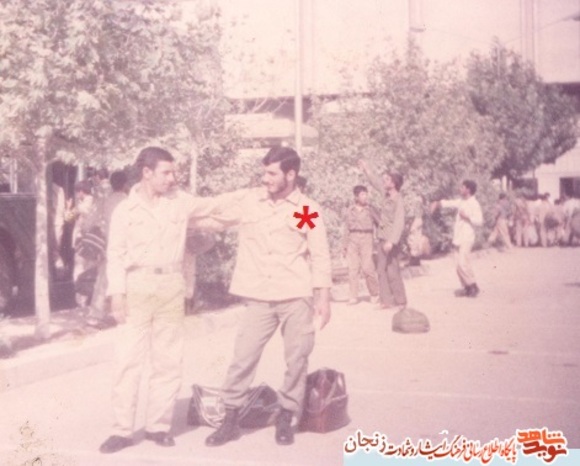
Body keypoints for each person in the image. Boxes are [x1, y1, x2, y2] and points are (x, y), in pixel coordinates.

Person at [99, 147, 231, 454]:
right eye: (166, 173)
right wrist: (116, 294)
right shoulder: (125, 210)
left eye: (174, 172)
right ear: (147, 173)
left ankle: (158, 427)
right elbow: (115, 255)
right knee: (127, 361)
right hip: (137, 285)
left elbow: (214, 206)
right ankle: (121, 430)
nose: (172, 178)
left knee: (168, 361)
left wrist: (256, 198)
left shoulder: (180, 202)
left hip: (171, 285)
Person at [205, 146, 332, 447]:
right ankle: (230, 419)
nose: (265, 179)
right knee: (243, 357)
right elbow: (213, 212)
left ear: (291, 174)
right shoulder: (251, 201)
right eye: (264, 172)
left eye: (272, 173)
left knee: (297, 359)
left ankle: (286, 417)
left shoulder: (305, 209)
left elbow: (319, 253)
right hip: (259, 296)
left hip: (295, 295)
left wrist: (323, 298)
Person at [358, 160, 407, 310]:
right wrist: (366, 169)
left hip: (391, 240)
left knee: (392, 270)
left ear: (393, 183)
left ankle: (400, 301)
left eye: (387, 179)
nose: (384, 181)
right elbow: (375, 182)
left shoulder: (398, 200)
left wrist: (391, 241)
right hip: (382, 237)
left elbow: (399, 222)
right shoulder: (385, 194)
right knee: (381, 270)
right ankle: (386, 301)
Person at [86, 170, 128, 327]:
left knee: (102, 280)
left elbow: (91, 221)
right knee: (126, 280)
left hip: (108, 245)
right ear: (125, 184)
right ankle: (123, 315)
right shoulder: (129, 202)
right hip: (126, 247)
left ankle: (95, 315)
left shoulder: (105, 201)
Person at [431, 180, 483, 297]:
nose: (460, 189)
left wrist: (467, 217)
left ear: (468, 190)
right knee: (459, 265)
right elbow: (450, 203)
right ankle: (467, 287)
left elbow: (479, 221)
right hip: (459, 237)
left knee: (462, 263)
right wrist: (437, 203)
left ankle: (473, 286)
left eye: (462, 187)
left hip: (467, 237)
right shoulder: (461, 202)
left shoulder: (474, 204)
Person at [342, 185, 379, 305]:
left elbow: (380, 223)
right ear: (356, 197)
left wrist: (380, 239)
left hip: (366, 238)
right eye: (362, 194)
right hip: (352, 238)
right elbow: (346, 229)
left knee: (367, 267)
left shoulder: (370, 209)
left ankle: (374, 294)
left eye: (366, 194)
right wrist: (344, 246)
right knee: (353, 268)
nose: (365, 197)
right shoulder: (350, 210)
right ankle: (353, 296)